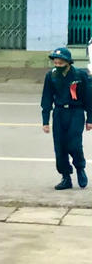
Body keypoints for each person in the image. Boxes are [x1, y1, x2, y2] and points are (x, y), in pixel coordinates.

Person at [41, 47, 92, 190]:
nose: (57, 66)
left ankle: (80, 168)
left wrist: (90, 119)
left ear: (68, 62)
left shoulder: (80, 75)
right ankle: (66, 177)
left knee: (74, 144)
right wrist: (45, 121)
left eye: (60, 63)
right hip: (59, 113)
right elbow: (46, 98)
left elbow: (89, 97)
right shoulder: (51, 76)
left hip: (75, 112)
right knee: (60, 147)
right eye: (55, 63)